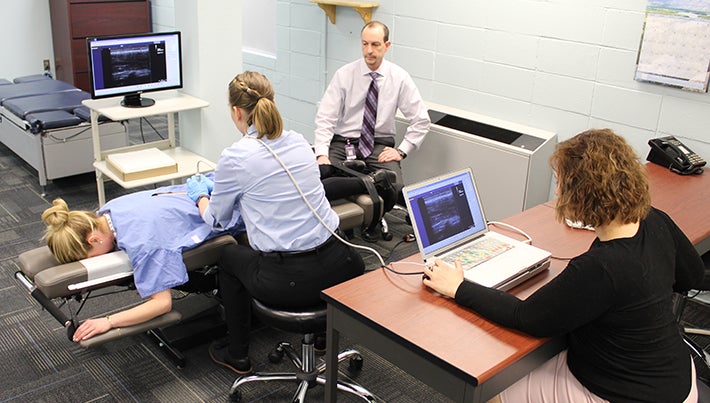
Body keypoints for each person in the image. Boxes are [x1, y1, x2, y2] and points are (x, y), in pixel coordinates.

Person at [423, 129, 704, 403]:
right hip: (677, 378)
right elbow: (691, 276)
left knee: (491, 391)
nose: (557, 192)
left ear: (581, 193)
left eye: (561, 183)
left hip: (626, 393)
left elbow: (527, 317)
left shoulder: (601, 266)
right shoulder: (655, 219)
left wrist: (459, 287)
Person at [186, 71, 365, 375]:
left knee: (229, 256)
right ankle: (321, 339)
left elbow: (217, 221)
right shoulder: (298, 141)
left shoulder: (236, 157)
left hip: (289, 282)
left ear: (236, 112)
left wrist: (201, 196)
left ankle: (238, 353)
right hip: (343, 262)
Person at [40, 178, 244, 343]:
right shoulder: (109, 209)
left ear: (94, 239)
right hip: (219, 184)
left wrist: (108, 321)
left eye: (87, 257)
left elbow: (162, 304)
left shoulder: (143, 246)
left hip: (239, 209)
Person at [313, 21, 431, 226]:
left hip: (378, 145)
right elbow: (326, 117)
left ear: (387, 45)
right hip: (344, 143)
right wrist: (322, 153)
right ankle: (340, 225)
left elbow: (421, 120)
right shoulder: (344, 75)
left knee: (395, 185)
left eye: (375, 44)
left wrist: (402, 151)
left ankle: (372, 221)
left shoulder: (399, 78)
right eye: (365, 44)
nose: (369, 50)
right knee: (321, 181)